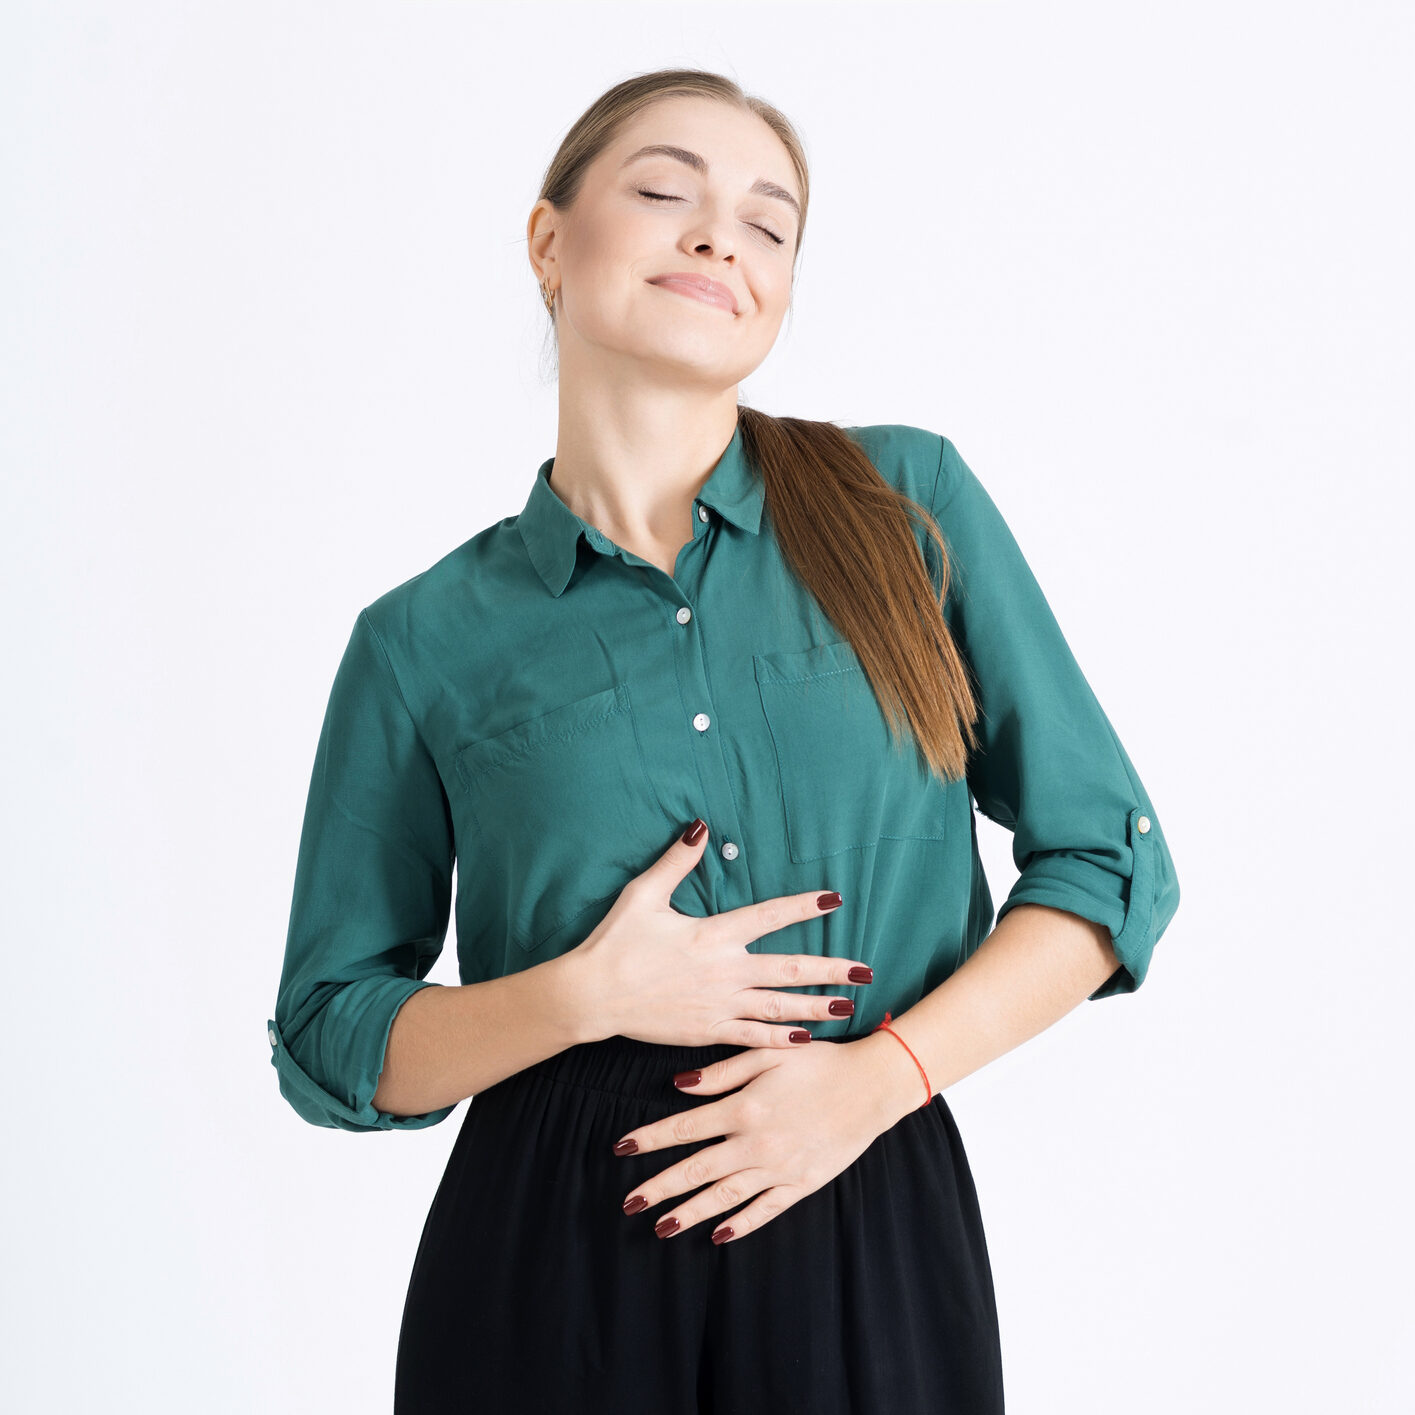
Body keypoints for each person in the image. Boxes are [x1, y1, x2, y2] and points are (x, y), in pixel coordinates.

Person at [265, 67, 1181, 1414]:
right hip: (549, 1256)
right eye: (663, 192)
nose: (719, 239)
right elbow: (332, 1036)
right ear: (548, 243)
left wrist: (875, 1084)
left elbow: (1108, 864)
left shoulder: (904, 506)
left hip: (861, 1194)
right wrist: (584, 996)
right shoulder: (424, 641)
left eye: (768, 222)